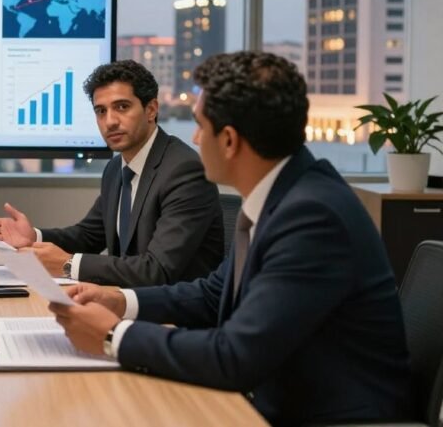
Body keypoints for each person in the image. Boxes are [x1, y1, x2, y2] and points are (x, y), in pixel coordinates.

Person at [51, 52, 412, 425]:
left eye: (199, 125)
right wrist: (119, 300)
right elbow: (212, 294)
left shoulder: (311, 216)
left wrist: (113, 336)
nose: (193, 138)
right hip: (274, 395)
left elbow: (234, 356)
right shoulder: (284, 195)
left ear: (228, 140)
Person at [0, 60, 223, 286]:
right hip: (124, 302)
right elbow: (89, 235)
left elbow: (156, 269)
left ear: (151, 109)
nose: (110, 122)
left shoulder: (183, 170)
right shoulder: (116, 168)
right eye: (101, 111)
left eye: (122, 107)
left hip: (174, 317)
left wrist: (67, 264)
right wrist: (34, 236)